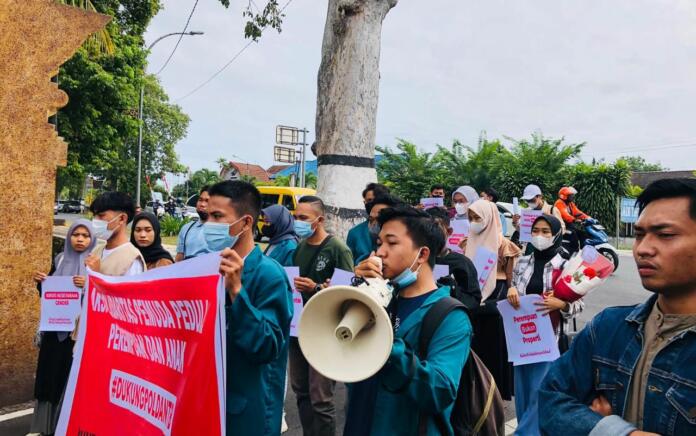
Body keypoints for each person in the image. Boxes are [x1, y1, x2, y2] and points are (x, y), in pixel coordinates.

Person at [540, 178, 696, 436]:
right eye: (639, 235)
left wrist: (597, 425)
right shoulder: (607, 328)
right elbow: (551, 400)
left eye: (665, 235)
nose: (642, 249)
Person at [344, 205, 472, 436]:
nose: (380, 252)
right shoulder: (379, 299)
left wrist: (384, 343)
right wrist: (359, 297)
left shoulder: (450, 316)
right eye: (379, 243)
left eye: (391, 243)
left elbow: (440, 390)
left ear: (422, 254)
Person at [206, 180, 293, 436]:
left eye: (218, 216)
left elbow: (267, 346)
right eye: (207, 216)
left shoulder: (269, 275)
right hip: (213, 400)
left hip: (249, 410)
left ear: (245, 223)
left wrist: (236, 291)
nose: (209, 224)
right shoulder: (208, 268)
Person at [506, 215, 584, 436]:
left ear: (557, 234)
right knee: (522, 393)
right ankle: (526, 428)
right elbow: (514, 290)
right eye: (536, 230)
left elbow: (579, 304)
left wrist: (561, 304)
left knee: (540, 393)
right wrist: (511, 291)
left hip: (549, 340)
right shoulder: (523, 261)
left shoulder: (566, 265)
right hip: (522, 339)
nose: (539, 236)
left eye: (545, 231)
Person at [290, 195, 354, 436]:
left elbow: (349, 291)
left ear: (320, 220)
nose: (299, 222)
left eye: (304, 218)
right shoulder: (300, 248)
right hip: (298, 328)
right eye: (296, 217)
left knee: (321, 398)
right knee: (301, 391)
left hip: (325, 330)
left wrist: (316, 288)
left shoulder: (338, 249)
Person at [30, 220, 96, 435]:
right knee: (48, 378)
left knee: (70, 381)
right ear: (68, 237)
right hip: (53, 333)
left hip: (78, 336)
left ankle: (64, 427)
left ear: (92, 239)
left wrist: (87, 286)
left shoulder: (95, 264)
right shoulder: (59, 260)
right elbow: (49, 294)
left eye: (85, 235)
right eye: (75, 234)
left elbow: (103, 298)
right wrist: (42, 283)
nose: (79, 239)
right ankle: (43, 428)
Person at [464, 200, 519, 400]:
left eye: (477, 217)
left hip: (496, 299)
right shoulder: (468, 240)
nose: (473, 222)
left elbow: (512, 276)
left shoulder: (503, 244)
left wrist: (512, 288)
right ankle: (476, 391)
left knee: (494, 348)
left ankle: (494, 393)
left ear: (489, 217)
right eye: (470, 218)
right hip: (473, 299)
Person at [427, 207, 482, 309]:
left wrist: (454, 289)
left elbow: (474, 301)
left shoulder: (462, 263)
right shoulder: (416, 260)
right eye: (427, 230)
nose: (432, 235)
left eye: (437, 229)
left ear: (449, 231)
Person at [85, 192, 145, 276]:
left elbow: (131, 289)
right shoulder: (96, 250)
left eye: (101, 215)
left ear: (121, 218)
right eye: (94, 216)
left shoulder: (131, 259)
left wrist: (97, 275)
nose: (95, 220)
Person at [348, 193, 403, 265]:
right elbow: (341, 274)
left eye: (380, 220)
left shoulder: (404, 252)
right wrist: (356, 273)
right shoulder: (355, 233)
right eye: (371, 220)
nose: (374, 225)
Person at [346, 183, 390, 265]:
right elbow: (344, 269)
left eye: (375, 200)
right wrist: (356, 273)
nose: (372, 204)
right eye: (368, 201)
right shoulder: (355, 232)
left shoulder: (401, 230)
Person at [175, 186, 211, 261]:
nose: (202, 204)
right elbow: (179, 257)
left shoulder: (222, 230)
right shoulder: (186, 228)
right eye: (200, 200)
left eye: (207, 201)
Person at [554, 186, 590, 254]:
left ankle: (583, 251)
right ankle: (574, 252)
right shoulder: (559, 203)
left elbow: (577, 212)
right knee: (574, 235)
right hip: (561, 227)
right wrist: (574, 220)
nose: (572, 197)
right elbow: (565, 215)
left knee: (583, 233)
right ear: (564, 196)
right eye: (570, 195)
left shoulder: (570, 204)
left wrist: (588, 217)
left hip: (569, 225)